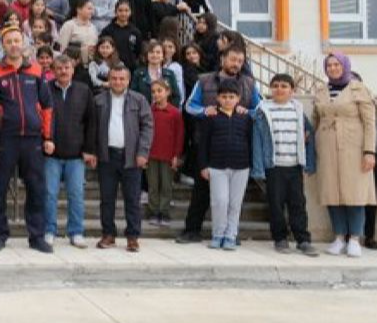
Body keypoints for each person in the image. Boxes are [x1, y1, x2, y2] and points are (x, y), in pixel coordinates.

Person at [177, 45, 260, 244]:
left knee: (233, 199)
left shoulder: (249, 83)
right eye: (233, 59)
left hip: (236, 148)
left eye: (240, 61)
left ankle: (230, 234)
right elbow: (189, 106)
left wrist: (246, 112)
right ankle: (191, 230)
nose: (236, 64)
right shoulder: (204, 80)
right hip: (206, 144)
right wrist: (204, 111)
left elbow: (259, 108)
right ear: (223, 59)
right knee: (201, 193)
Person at [0, 26, 54, 253]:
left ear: (23, 43)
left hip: (32, 139)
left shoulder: (35, 70)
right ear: (2, 45)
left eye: (17, 40)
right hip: (6, 138)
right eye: (9, 41)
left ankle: (37, 236)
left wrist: (48, 136)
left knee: (36, 188)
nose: (14, 45)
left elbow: (47, 106)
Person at [313, 53, 377, 258]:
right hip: (327, 147)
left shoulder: (359, 89)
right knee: (331, 192)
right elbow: (316, 119)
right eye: (329, 65)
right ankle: (339, 237)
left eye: (336, 64)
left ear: (345, 66)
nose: (332, 68)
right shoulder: (321, 90)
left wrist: (369, 151)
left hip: (353, 147)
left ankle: (355, 239)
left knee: (355, 193)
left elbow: (370, 123)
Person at [251, 73, 319, 256]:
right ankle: (280, 238)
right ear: (270, 89)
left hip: (294, 165)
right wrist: (259, 168)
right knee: (276, 204)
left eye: (284, 86)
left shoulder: (297, 110)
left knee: (298, 204)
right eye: (275, 86)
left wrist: (308, 163)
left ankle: (303, 239)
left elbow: (309, 135)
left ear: (292, 90)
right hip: (274, 166)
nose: (279, 89)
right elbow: (257, 141)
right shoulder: (263, 111)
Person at [92, 64, 154, 253]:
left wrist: (143, 152)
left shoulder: (139, 100)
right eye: (114, 78)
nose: (118, 82)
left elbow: (147, 127)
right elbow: (92, 128)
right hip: (107, 156)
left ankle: (133, 237)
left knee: (132, 199)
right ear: (109, 80)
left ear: (128, 80)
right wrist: (92, 151)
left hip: (131, 157)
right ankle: (108, 234)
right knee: (107, 199)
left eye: (122, 79)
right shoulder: (98, 100)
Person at [45, 54, 96, 248]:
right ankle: (49, 230)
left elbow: (91, 122)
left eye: (67, 68)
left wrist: (89, 149)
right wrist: (45, 141)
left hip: (76, 155)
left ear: (73, 70)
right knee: (49, 194)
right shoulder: (45, 89)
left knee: (76, 195)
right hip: (51, 154)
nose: (63, 71)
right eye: (59, 68)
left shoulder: (84, 90)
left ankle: (76, 232)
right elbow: (41, 117)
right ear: (53, 70)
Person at [197, 79, 252, 251]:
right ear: (218, 98)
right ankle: (218, 234)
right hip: (217, 166)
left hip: (241, 166)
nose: (228, 100)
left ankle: (230, 236)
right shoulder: (211, 117)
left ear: (238, 98)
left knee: (235, 204)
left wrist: (252, 165)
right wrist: (203, 166)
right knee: (220, 201)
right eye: (224, 96)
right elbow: (203, 144)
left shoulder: (245, 118)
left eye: (231, 97)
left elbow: (251, 142)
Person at [146, 80, 184, 227]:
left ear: (168, 92)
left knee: (166, 185)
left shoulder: (175, 113)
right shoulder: (149, 111)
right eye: (153, 91)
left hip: (168, 156)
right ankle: (154, 212)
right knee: (153, 185)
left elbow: (179, 135)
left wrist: (176, 155)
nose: (156, 94)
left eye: (159, 91)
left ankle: (164, 212)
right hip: (152, 154)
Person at [131, 41, 182, 106]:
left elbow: (176, 97)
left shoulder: (170, 74)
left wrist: (166, 109)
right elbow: (133, 96)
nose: (155, 55)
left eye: (158, 52)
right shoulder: (138, 74)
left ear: (163, 56)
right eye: (151, 52)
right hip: (143, 110)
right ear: (147, 55)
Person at [56, 0, 99, 67]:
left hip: (90, 63)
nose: (92, 12)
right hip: (73, 63)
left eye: (92, 9)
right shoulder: (69, 25)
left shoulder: (93, 27)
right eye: (89, 9)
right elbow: (62, 47)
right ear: (79, 10)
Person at [104, 1, 144, 71]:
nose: (123, 13)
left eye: (126, 10)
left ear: (130, 12)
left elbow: (138, 50)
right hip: (112, 67)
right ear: (115, 12)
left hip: (131, 68)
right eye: (120, 10)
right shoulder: (108, 31)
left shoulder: (135, 31)